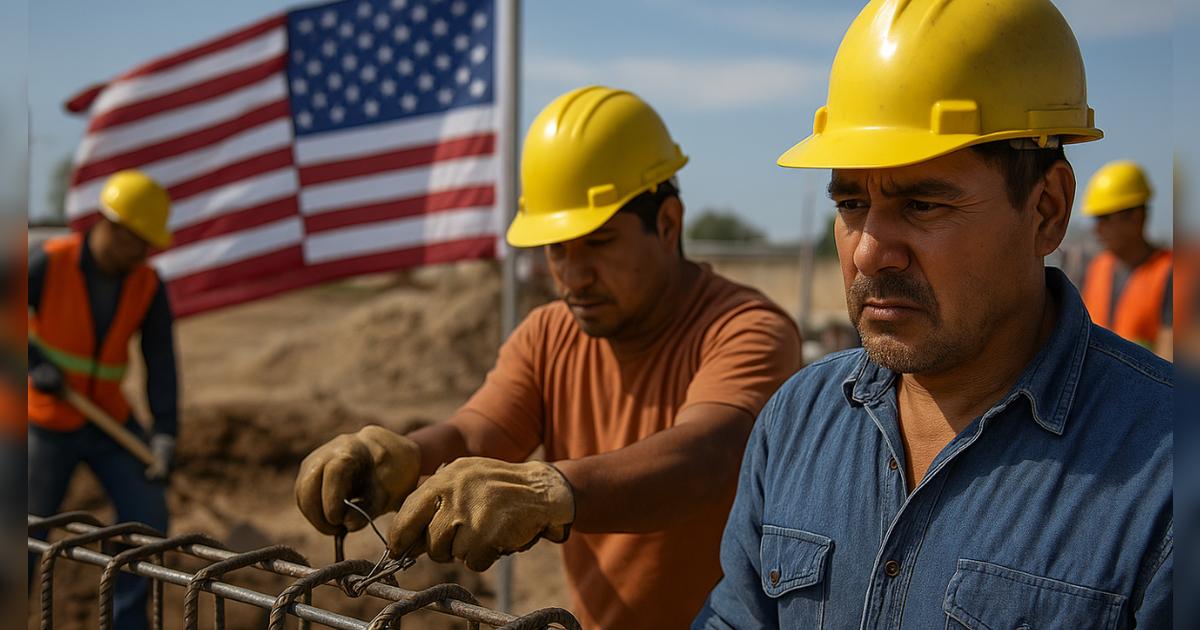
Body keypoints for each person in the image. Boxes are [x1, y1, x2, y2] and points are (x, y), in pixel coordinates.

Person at [694, 1, 1172, 627]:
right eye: (850, 202)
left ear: (1047, 209)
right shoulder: (797, 422)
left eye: (921, 204)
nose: (869, 251)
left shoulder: (1169, 471)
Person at [294, 86, 803, 628]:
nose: (572, 274)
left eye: (599, 242)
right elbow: (475, 437)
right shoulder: (549, 334)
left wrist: (549, 491)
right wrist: (400, 458)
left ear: (669, 225)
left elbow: (706, 459)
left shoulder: (746, 329)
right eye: (557, 249)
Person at [28, 170, 179, 630]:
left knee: (147, 513)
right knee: (26, 527)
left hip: (108, 421)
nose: (143, 253)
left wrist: (166, 432)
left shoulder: (147, 283)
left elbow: (162, 362)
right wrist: (32, 361)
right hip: (45, 420)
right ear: (110, 225)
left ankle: (127, 622)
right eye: (138, 242)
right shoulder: (47, 262)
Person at [1081, 160, 1173, 358]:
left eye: (1104, 218)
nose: (1097, 229)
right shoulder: (1098, 267)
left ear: (1136, 216)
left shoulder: (1172, 272)